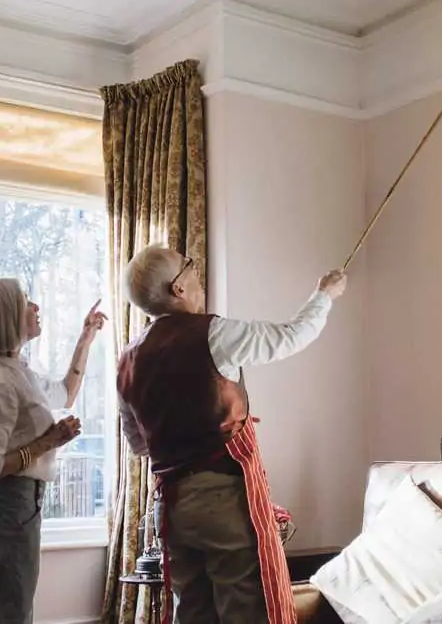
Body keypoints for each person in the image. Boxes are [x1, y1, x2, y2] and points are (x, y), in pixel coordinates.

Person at [116, 245, 347, 624]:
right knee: (244, 611)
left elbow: (139, 444)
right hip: (221, 500)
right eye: (188, 266)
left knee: (193, 612)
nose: (195, 272)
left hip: (172, 509)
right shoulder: (213, 333)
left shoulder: (127, 359)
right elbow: (291, 336)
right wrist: (323, 295)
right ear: (178, 288)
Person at [0, 277, 107, 624]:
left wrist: (85, 339)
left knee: (16, 608)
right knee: (11, 612)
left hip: (23, 503)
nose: (36, 307)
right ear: (6, 317)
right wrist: (48, 442)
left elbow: (63, 395)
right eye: (27, 301)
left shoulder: (15, 370)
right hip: (10, 502)